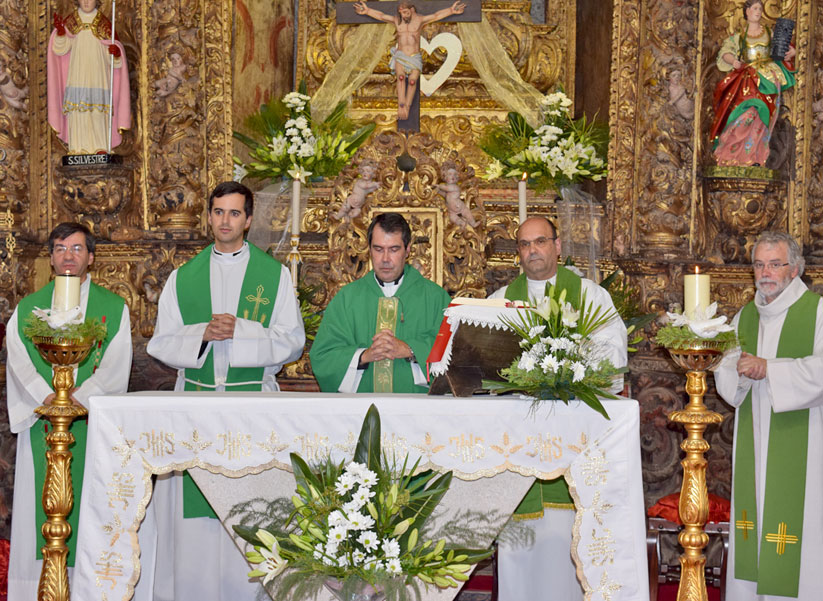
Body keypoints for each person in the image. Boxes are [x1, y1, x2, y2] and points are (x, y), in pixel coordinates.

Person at [147, 181, 305, 601]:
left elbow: (292, 340)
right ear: (210, 216)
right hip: (195, 408)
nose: (225, 221)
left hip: (251, 407)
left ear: (248, 220)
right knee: (196, 524)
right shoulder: (184, 278)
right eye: (218, 212)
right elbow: (160, 343)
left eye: (234, 213)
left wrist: (241, 331)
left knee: (251, 510)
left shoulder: (274, 277)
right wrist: (202, 334)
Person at [5, 223, 156, 599]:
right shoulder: (28, 308)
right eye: (59, 248)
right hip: (44, 422)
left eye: (76, 248)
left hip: (91, 425)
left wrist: (79, 400)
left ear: (91, 256)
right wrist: (50, 399)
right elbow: (19, 361)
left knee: (92, 505)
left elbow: (117, 361)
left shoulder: (112, 308)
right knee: (38, 508)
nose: (67, 255)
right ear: (51, 257)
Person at [489, 216, 627, 601]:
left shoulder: (589, 296)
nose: (532, 250)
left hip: (574, 440)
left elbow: (614, 354)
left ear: (558, 246)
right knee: (522, 549)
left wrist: (570, 362)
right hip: (518, 443)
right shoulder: (501, 301)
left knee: (571, 540)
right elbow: (482, 364)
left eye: (540, 241)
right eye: (524, 244)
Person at [714, 231, 823, 600]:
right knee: (754, 522)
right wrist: (740, 372)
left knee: (799, 535)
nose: (766, 272)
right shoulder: (745, 316)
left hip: (804, 442)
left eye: (774, 264)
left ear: (794, 269)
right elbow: (726, 369)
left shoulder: (818, 312)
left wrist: (769, 369)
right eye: (759, 264)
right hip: (754, 435)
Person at [310, 212, 450, 393]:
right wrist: (363, 356)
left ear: (407, 250)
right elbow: (323, 357)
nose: (385, 259)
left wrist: (411, 349)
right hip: (362, 411)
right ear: (369, 250)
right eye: (378, 249)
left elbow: (457, 353)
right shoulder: (347, 299)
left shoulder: (436, 298)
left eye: (393, 249)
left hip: (417, 411)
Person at [710, 0, 795, 167]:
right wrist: (734, 61)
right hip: (748, 80)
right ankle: (730, 155)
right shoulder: (740, 37)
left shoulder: (769, 33)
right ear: (747, 11)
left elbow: (784, 47)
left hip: (767, 80)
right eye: (755, 8)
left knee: (761, 116)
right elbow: (725, 52)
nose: (758, 11)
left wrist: (792, 51)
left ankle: (755, 156)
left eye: (760, 8)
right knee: (745, 113)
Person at [353, 0, 465, 120]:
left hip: (414, 57)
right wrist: (367, 11)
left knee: (412, 81)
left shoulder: (420, 20)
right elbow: (381, 16)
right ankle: (401, 105)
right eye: (401, 13)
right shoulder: (397, 20)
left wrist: (451, 10)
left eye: (405, 12)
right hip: (400, 55)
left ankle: (407, 105)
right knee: (400, 78)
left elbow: (436, 15)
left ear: (412, 10)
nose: (403, 15)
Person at [47, 0, 131, 154]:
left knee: (98, 108)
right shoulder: (71, 22)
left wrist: (115, 54)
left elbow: (113, 61)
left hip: (98, 74)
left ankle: (101, 145)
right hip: (78, 72)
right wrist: (60, 33)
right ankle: (78, 147)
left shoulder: (105, 24)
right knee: (78, 108)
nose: (86, 2)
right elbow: (60, 49)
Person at [436, 160, 479, 228]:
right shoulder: (447, 188)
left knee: (467, 213)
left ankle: (473, 223)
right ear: (444, 176)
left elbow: (447, 188)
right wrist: (439, 192)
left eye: (454, 174)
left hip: (460, 207)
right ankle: (461, 223)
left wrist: (438, 186)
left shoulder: (454, 187)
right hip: (451, 210)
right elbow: (446, 196)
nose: (452, 176)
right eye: (450, 174)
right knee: (452, 217)